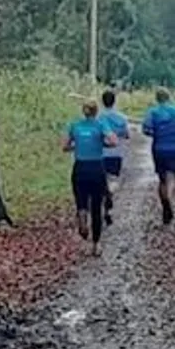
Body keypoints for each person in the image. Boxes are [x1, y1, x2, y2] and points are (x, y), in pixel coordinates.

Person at [64, 98, 117, 254]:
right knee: (96, 206)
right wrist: (102, 143)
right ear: (96, 112)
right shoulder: (101, 125)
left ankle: (82, 219)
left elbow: (65, 146)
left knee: (81, 200)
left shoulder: (74, 125)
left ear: (83, 111)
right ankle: (96, 244)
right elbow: (113, 141)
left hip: (80, 167)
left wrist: (78, 146)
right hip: (96, 168)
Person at [141, 87, 175, 226]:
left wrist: (156, 133)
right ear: (169, 97)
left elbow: (145, 129)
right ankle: (169, 198)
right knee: (171, 176)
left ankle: (165, 204)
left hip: (158, 149)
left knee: (162, 179)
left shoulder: (152, 112)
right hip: (173, 148)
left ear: (157, 99)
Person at [99, 87, 132, 223]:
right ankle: (110, 194)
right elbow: (127, 135)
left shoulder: (98, 117)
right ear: (114, 101)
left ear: (102, 101)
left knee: (101, 181)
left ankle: (103, 205)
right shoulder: (122, 118)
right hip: (116, 154)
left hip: (99, 154)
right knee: (113, 180)